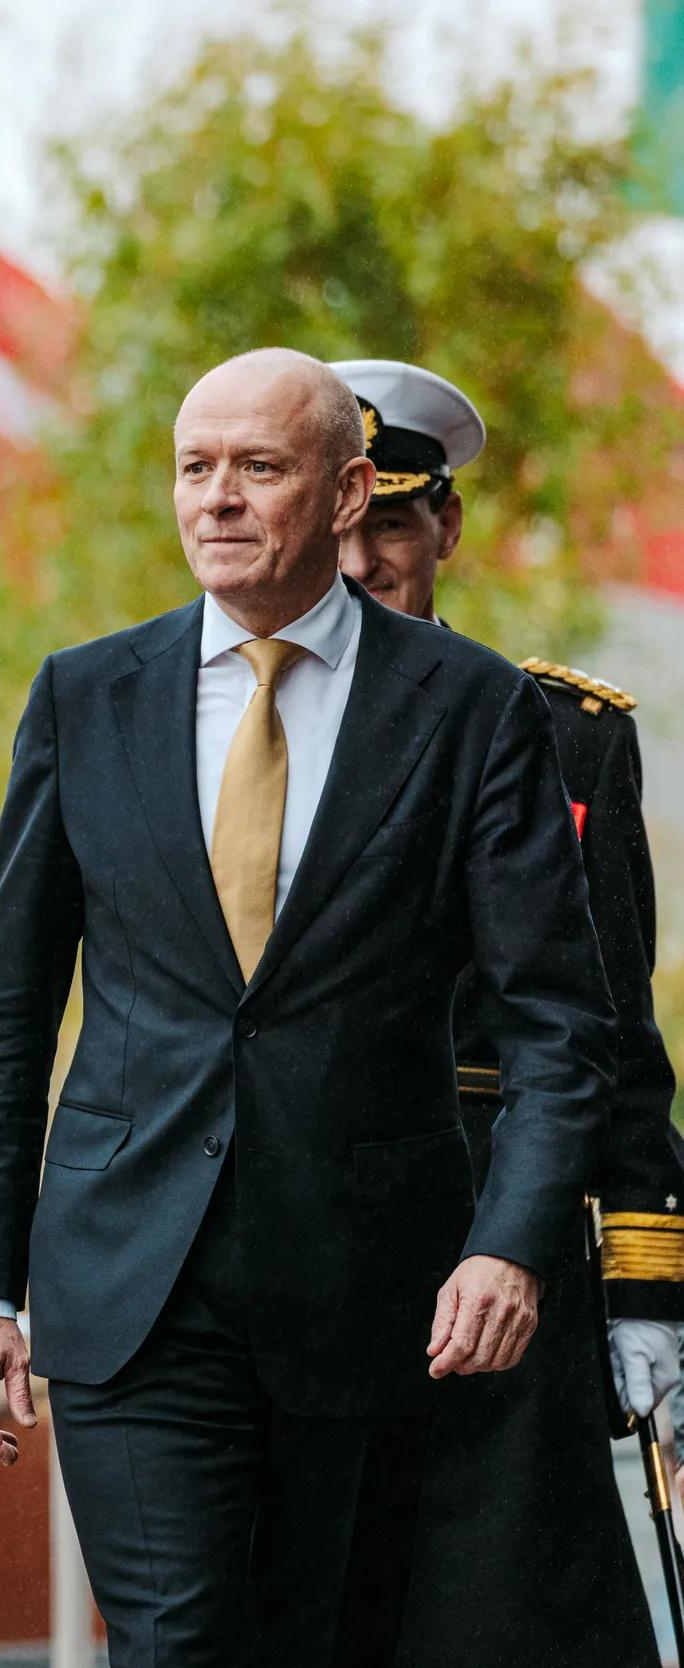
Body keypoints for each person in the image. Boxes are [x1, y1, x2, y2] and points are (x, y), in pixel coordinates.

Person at [0, 347, 617, 1665]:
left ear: (349, 492)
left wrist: (511, 1246)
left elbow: (559, 1024)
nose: (219, 498)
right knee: (175, 1642)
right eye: (196, 468)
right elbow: (7, 1007)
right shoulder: (86, 696)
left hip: (371, 1293)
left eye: (258, 467)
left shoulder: (471, 709)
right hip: (132, 1286)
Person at [333, 357, 681, 1664]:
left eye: (391, 523)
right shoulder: (227, 729)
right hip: (305, 1223)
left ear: (449, 527)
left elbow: (615, 1028)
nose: (361, 561)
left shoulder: (567, 734)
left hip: (504, 1217)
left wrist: (647, 1283)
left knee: (515, 1614)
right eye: (340, 525)